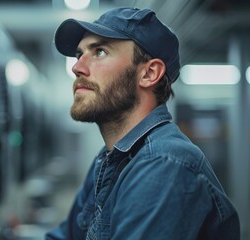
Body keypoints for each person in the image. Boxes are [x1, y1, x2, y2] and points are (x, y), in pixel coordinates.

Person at [46, 7, 240, 240]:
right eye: (79, 54)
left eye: (99, 52)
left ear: (149, 73)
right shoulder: (109, 160)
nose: (77, 67)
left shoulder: (163, 164)